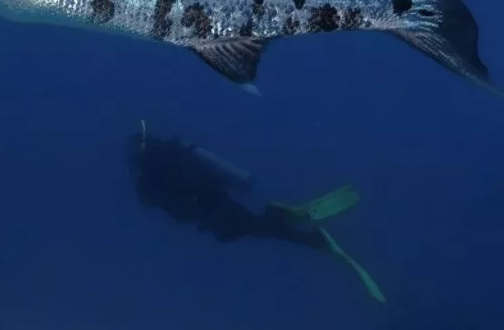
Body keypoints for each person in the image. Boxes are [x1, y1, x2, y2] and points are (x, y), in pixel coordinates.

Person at [126, 120, 386, 303]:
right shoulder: (170, 152)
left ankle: (312, 237)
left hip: (206, 207)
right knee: (253, 227)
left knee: (254, 228)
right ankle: (298, 227)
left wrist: (140, 177)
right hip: (213, 193)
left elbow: (162, 207)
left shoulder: (146, 176)